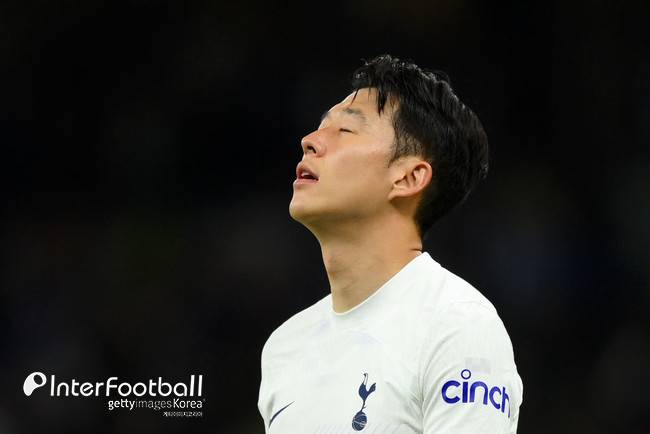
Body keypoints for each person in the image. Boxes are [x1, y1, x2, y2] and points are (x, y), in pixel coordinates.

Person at [257, 54, 523, 433]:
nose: (310, 141)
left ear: (408, 177)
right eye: (319, 127)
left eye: (345, 130)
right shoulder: (284, 347)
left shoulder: (457, 325)